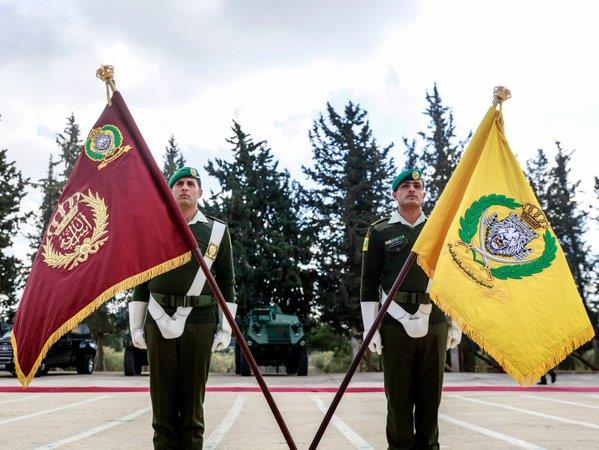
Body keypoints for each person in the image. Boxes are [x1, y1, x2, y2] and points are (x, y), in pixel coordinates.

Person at [128, 166, 236, 449]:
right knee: (162, 410)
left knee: (192, 411)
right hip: (157, 320)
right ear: (170, 191)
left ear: (200, 192)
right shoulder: (153, 228)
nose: (185, 187)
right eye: (179, 184)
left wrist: (226, 329)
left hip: (201, 322)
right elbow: (141, 280)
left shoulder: (217, 231)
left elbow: (227, 282)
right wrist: (135, 326)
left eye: (190, 183)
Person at [360, 168, 461, 450]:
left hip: (435, 321)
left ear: (424, 194)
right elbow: (369, 283)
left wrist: (456, 323)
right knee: (398, 400)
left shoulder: (440, 230)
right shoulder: (380, 231)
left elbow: (455, 278)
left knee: (430, 400)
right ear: (395, 194)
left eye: (417, 186)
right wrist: (370, 328)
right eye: (405, 186)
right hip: (394, 324)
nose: (412, 190)